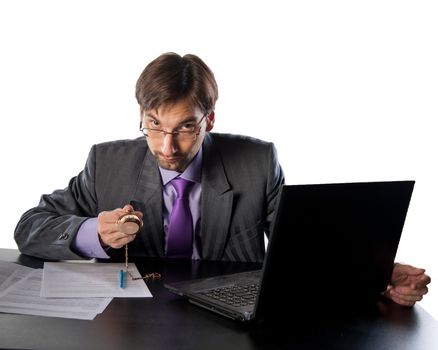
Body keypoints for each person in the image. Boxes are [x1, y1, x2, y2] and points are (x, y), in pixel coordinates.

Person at [14, 52, 430, 307]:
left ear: (209, 120)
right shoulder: (106, 162)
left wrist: (377, 273)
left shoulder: (258, 160)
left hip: (229, 322)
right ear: (140, 115)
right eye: (154, 125)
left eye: (186, 127)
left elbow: (303, 251)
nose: (167, 146)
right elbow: (30, 227)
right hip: (130, 324)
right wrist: (92, 233)